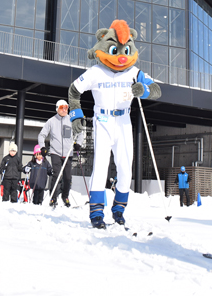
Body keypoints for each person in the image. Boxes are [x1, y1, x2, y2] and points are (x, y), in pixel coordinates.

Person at [68, 19, 160, 228]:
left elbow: (156, 89)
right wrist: (76, 115)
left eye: (126, 50)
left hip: (124, 120)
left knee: (125, 168)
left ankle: (119, 210)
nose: (121, 56)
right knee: (100, 167)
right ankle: (96, 213)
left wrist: (143, 91)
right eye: (115, 49)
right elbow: (74, 91)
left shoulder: (134, 72)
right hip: (103, 120)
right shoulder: (95, 72)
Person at [38, 99, 84, 207]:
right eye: (62, 108)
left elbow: (80, 133)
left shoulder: (72, 120)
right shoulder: (51, 121)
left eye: (66, 108)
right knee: (57, 174)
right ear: (57, 109)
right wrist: (42, 147)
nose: (64, 110)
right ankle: (53, 198)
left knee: (67, 177)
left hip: (68, 153)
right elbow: (41, 135)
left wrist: (79, 143)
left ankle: (65, 196)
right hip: (56, 152)